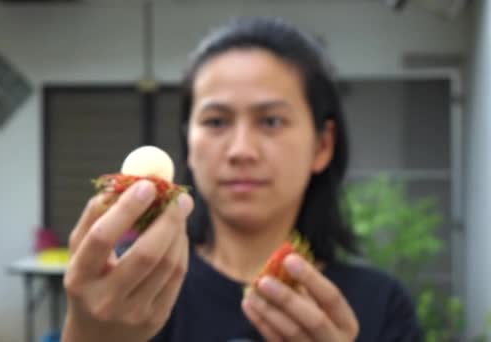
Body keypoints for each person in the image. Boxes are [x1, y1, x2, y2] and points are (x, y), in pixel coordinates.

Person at [62, 17, 423, 342]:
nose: (240, 150)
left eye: (271, 121)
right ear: (188, 144)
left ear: (322, 145)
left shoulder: (381, 306)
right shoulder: (132, 288)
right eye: (216, 122)